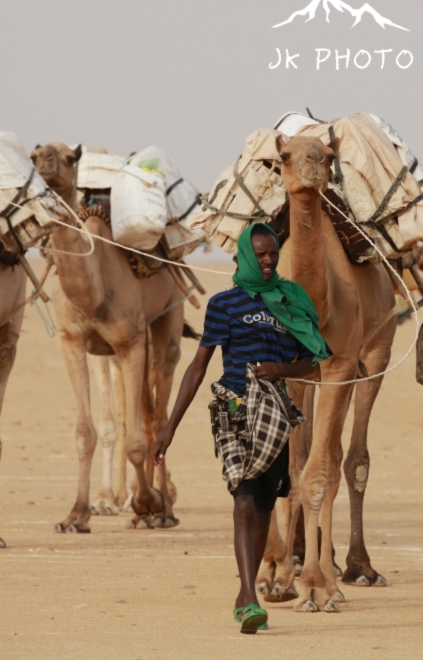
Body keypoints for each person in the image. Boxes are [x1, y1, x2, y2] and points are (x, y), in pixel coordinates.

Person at [150, 223, 329, 634]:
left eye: (272, 255)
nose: (268, 262)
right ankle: (249, 596)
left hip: (277, 413)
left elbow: (312, 360)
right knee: (243, 502)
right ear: (246, 257)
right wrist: (169, 428)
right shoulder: (224, 305)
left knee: (265, 506)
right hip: (234, 410)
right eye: (261, 255)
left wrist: (282, 369)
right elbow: (198, 367)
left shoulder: (291, 301)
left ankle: (244, 593)